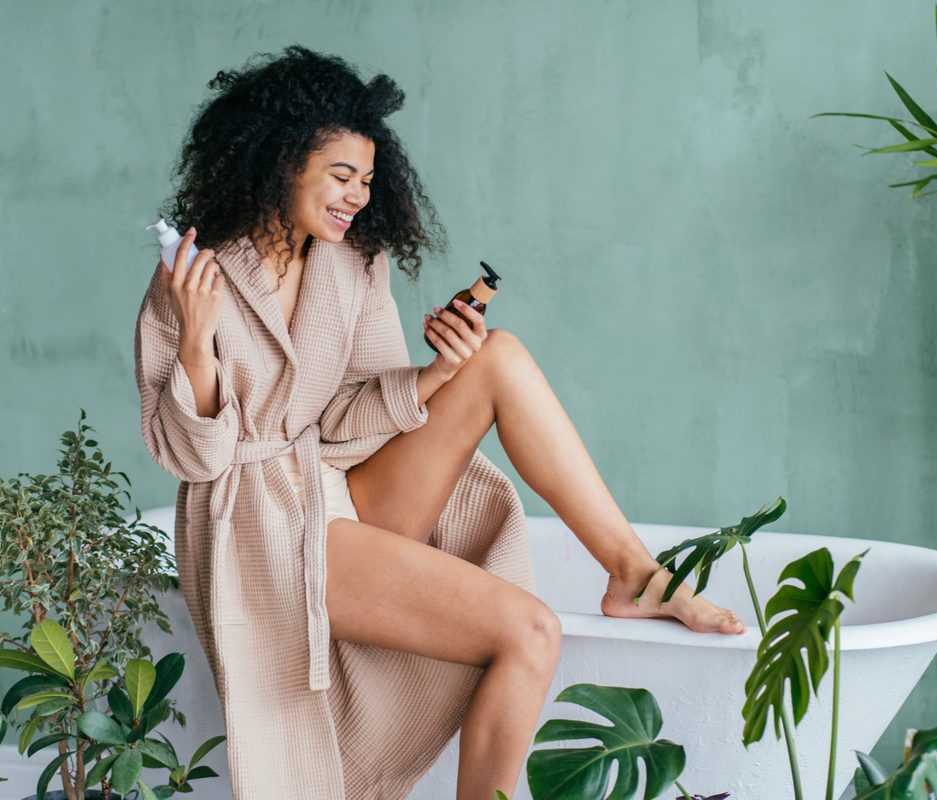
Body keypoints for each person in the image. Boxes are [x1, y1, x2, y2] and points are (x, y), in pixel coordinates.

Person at [135, 44, 744, 800]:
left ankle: (634, 571)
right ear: (278, 162)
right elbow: (193, 460)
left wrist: (436, 372)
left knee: (499, 357)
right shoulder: (192, 278)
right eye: (339, 175)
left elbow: (356, 421)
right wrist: (196, 338)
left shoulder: (353, 263)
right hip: (259, 525)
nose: (357, 196)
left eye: (366, 177)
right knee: (530, 630)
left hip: (338, 489)